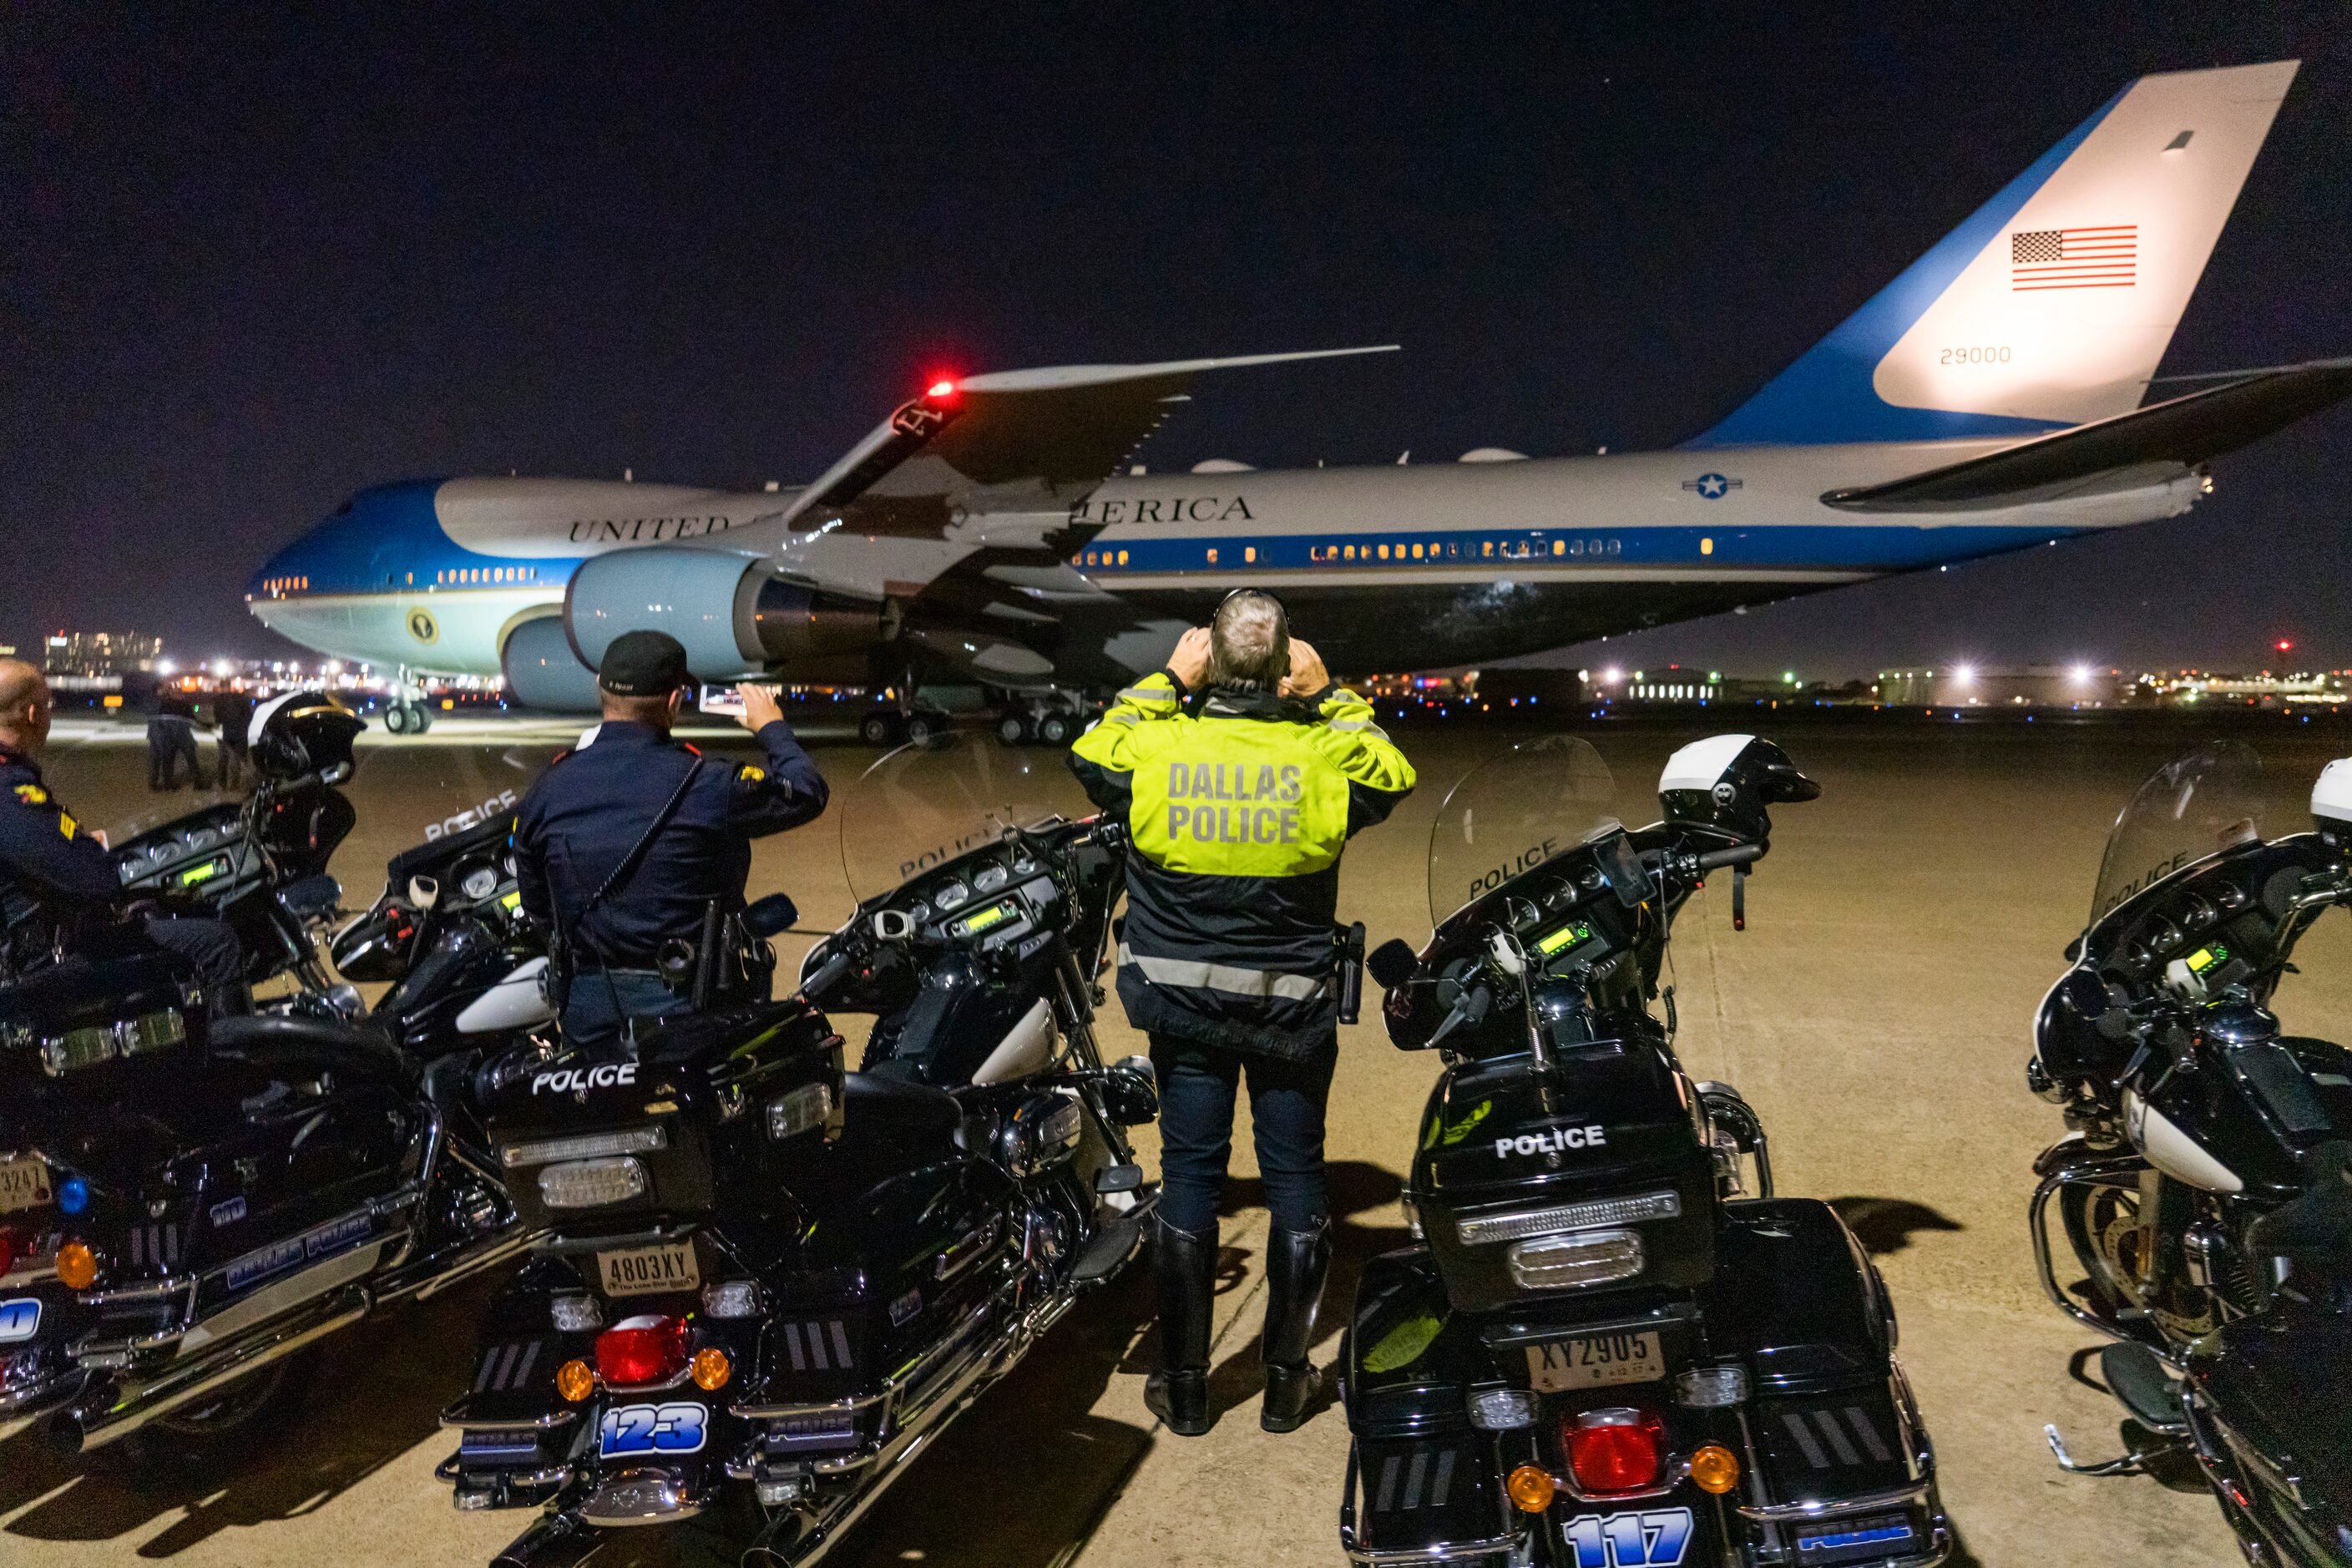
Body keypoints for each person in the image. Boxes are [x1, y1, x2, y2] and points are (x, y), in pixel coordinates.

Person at [1068, 590, 1415, 1436]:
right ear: (1285, 663)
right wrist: (1331, 692)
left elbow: (1091, 752)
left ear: (1210, 661)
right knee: (1298, 1179)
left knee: (1191, 1176)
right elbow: (1392, 773)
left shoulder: (1156, 745)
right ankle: (1287, 1383)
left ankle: (1186, 1389)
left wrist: (1164, 678)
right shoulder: (1323, 757)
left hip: (1184, 1009)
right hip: (1290, 1009)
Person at [513, 630, 829, 1043]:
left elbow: (538, 906)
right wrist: (771, 727)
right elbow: (806, 792)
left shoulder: (548, 788)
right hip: (687, 1002)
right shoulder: (708, 784)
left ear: (599, 689)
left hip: (586, 1001)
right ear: (675, 700)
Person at [0, 659, 244, 996]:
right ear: (31, 714)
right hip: (38, 963)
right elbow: (97, 882)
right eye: (47, 706)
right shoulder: (11, 791)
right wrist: (91, 850)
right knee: (218, 944)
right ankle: (222, 1049)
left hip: (32, 946)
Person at [146, 690, 206, 791]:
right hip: (184, 736)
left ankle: (168, 784)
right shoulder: (185, 704)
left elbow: (161, 720)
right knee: (192, 761)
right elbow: (193, 716)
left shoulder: (165, 704)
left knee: (168, 761)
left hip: (170, 737)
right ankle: (198, 783)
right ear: (179, 695)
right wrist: (196, 707)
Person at [213, 688, 255, 789]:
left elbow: (217, 718)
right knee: (234, 761)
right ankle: (233, 784)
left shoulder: (220, 701)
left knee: (225, 759)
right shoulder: (243, 702)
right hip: (237, 735)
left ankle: (224, 783)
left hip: (227, 734)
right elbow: (248, 719)